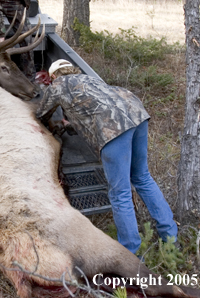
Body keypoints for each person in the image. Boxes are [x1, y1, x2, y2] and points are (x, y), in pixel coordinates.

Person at [36, 60, 178, 255]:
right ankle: (171, 239)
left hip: (113, 128)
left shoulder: (58, 85)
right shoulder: (88, 79)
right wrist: (71, 124)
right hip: (136, 113)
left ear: (53, 76)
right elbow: (97, 108)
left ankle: (130, 254)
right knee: (142, 178)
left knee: (120, 194)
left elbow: (41, 115)